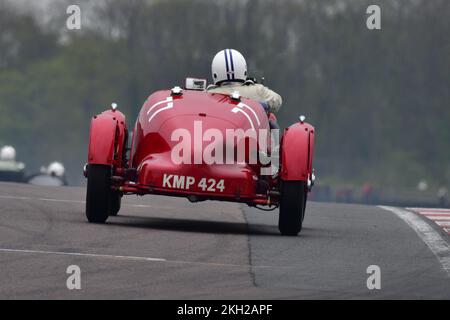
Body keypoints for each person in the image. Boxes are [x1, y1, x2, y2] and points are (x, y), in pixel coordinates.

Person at [207, 49, 282, 114]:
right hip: (249, 130)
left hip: (215, 130)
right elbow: (277, 101)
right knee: (271, 120)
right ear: (243, 69)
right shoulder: (257, 90)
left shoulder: (209, 94)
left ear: (215, 73)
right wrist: (264, 105)